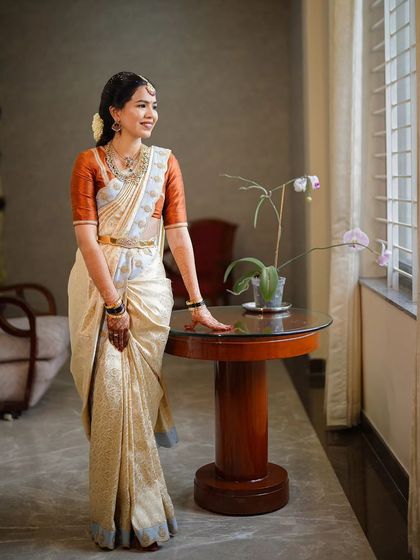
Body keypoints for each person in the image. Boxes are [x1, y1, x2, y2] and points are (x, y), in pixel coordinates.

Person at [68, 71, 231, 552]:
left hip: (149, 291)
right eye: (141, 105)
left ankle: (138, 514)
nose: (151, 114)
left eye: (154, 105)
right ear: (115, 113)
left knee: (134, 400)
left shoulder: (166, 163)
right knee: (113, 400)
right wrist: (113, 303)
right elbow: (86, 237)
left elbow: (178, 235)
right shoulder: (88, 163)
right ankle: (126, 513)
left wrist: (197, 302)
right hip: (100, 290)